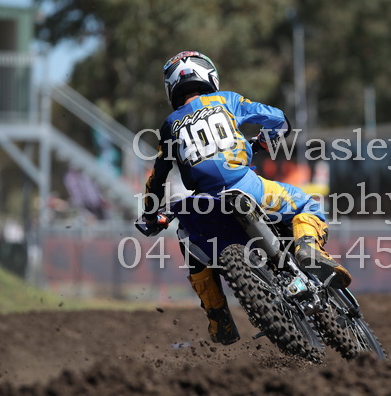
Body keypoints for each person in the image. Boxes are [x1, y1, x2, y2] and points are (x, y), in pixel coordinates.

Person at [142, 51, 352, 345]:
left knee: (188, 239)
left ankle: (218, 318)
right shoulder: (226, 100)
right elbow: (277, 119)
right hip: (247, 187)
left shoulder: (169, 125)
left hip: (206, 203)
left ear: (172, 87)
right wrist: (266, 140)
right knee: (307, 204)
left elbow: (156, 178)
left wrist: (150, 215)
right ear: (208, 76)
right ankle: (308, 249)